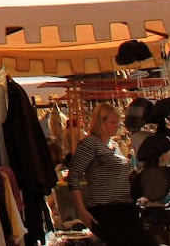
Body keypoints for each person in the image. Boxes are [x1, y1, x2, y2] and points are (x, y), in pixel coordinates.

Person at [68, 103, 149, 246]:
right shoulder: (90, 144)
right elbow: (73, 176)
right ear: (100, 122)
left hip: (124, 207)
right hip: (106, 209)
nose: (116, 126)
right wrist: (81, 210)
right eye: (112, 122)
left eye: (117, 122)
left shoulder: (114, 145)